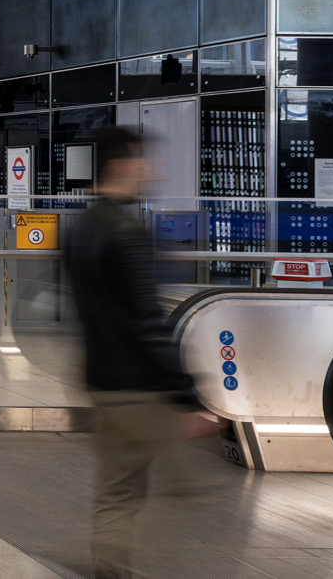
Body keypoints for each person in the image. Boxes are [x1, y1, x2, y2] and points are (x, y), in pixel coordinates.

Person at [62, 126, 215, 579]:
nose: (152, 170)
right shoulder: (128, 233)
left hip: (99, 378)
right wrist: (186, 395)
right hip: (137, 388)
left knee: (117, 487)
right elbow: (146, 321)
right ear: (120, 166)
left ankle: (101, 560)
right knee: (189, 491)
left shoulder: (81, 228)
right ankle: (105, 561)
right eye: (143, 160)